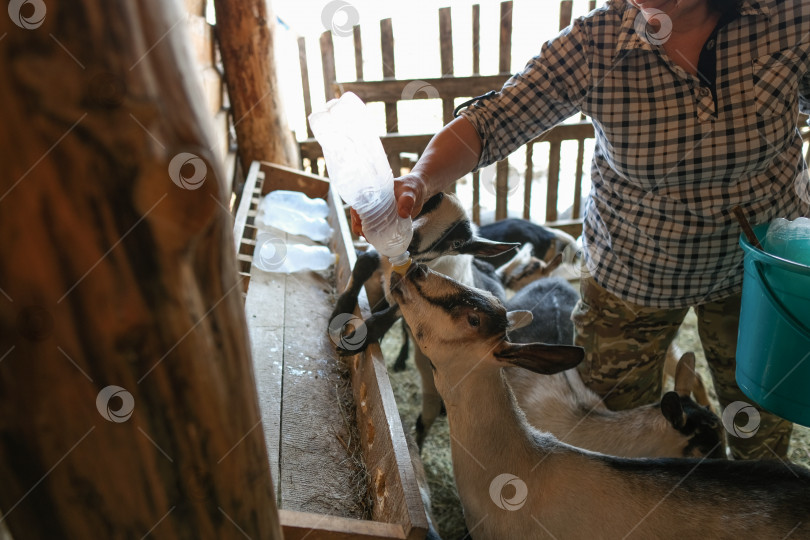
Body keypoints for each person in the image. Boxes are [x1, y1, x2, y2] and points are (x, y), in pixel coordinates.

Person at [351, 0, 810, 460]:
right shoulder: (596, 43)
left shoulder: (787, 17)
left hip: (760, 278)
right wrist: (418, 180)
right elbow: (491, 121)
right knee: (613, 441)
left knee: (762, 433)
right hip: (633, 277)